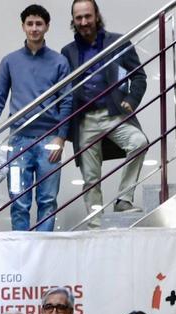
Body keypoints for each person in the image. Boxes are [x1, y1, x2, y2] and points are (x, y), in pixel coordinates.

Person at [0, 4, 74, 231]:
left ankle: (43, 253)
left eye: (39, 24)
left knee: (47, 201)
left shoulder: (59, 62)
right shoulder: (9, 61)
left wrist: (61, 138)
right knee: (18, 200)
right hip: (18, 142)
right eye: (30, 24)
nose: (34, 29)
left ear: (47, 27)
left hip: (49, 141)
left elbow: (67, 101)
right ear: (23, 26)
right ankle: (21, 252)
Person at [62, 0, 148, 216]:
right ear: (73, 20)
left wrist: (131, 99)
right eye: (78, 18)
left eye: (87, 16)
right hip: (84, 120)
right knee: (91, 178)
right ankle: (95, 225)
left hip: (113, 114)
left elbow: (138, 75)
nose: (83, 22)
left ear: (96, 15)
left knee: (139, 142)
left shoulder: (117, 42)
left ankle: (124, 200)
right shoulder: (67, 52)